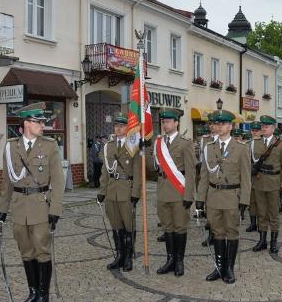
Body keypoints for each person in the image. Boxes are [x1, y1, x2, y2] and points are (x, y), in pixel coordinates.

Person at [0, 102, 65, 302]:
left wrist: (55, 209)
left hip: (39, 205)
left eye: (42, 121)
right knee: (26, 252)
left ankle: (44, 297)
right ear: (26, 123)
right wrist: (2, 208)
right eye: (38, 121)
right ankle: (33, 293)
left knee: (42, 251)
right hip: (18, 207)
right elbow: (7, 180)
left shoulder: (50, 145)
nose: (43, 125)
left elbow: (58, 180)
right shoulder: (11, 147)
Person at [196, 109, 251, 284]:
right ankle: (219, 267)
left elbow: (246, 177)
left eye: (224, 124)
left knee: (232, 232)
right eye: (217, 124)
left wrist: (244, 200)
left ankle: (229, 269)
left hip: (231, 196)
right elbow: (204, 175)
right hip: (213, 196)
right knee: (217, 231)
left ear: (231, 126)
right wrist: (200, 198)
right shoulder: (208, 148)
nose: (220, 127)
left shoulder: (241, 149)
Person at [148, 107, 196, 276]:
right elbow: (151, 168)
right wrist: (144, 149)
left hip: (179, 190)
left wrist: (189, 194)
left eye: (168, 122)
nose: (165, 124)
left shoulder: (185, 143)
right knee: (167, 227)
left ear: (176, 123)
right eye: (163, 122)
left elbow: (191, 171)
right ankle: (170, 260)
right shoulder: (158, 142)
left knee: (180, 227)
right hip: (162, 190)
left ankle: (179, 261)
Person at [96, 114, 141, 272]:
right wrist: (102, 191)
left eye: (121, 125)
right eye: (116, 125)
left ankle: (128, 257)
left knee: (128, 225)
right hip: (112, 190)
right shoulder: (108, 145)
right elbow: (105, 170)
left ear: (128, 127)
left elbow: (137, 170)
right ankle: (119, 256)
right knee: (115, 225)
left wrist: (136, 192)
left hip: (126, 188)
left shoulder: (133, 144)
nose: (118, 128)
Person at [251, 115, 282, 254]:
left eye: (266, 126)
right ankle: (262, 240)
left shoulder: (281, 144)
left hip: (274, 183)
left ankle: (273, 241)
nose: (264, 128)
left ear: (273, 128)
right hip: (259, 183)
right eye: (262, 126)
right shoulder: (255, 143)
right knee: (261, 212)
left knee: (273, 213)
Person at [246, 121, 262, 232]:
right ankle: (253, 223)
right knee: (251, 201)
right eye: (253, 130)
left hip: (260, 176)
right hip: (249, 176)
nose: (254, 132)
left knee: (260, 201)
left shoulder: (264, 143)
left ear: (261, 131)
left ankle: (262, 224)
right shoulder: (247, 143)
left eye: (257, 130)